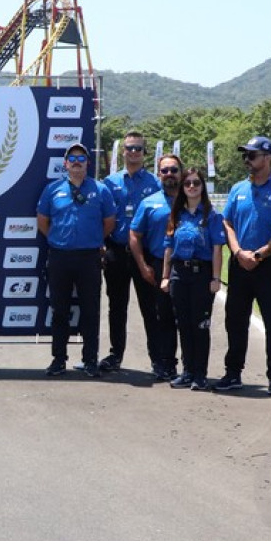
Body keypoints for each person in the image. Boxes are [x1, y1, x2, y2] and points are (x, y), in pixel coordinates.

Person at [217, 136, 271, 394]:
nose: (246, 160)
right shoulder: (238, 189)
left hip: (269, 266)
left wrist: (259, 254)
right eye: (245, 155)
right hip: (239, 264)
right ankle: (233, 372)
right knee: (235, 320)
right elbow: (227, 223)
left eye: (252, 155)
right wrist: (238, 252)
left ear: (268, 157)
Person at [36, 142, 116, 377]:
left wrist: (93, 239)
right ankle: (58, 359)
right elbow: (42, 221)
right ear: (66, 163)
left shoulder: (101, 190)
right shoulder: (52, 189)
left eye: (81, 158)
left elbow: (109, 222)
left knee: (90, 311)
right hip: (59, 257)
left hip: (89, 258)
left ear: (87, 163)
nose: (77, 162)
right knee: (59, 311)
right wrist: (59, 240)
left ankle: (90, 360)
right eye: (73, 159)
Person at [99, 131, 160, 373]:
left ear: (145, 153)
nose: (133, 152)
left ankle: (157, 359)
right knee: (117, 307)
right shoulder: (109, 182)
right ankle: (115, 355)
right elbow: (101, 216)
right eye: (129, 148)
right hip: (116, 251)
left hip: (144, 254)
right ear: (123, 151)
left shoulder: (155, 183)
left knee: (150, 307)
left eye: (138, 148)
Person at [160, 165, 225, 390]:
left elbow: (217, 249)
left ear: (202, 186)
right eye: (187, 183)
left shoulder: (211, 216)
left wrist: (216, 278)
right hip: (179, 274)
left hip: (201, 275)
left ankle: (200, 374)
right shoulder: (176, 215)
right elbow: (168, 248)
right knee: (184, 325)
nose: (191, 187)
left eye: (196, 183)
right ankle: (187, 371)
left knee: (200, 326)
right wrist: (165, 276)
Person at [129, 153, 181, 381]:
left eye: (174, 170)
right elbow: (134, 235)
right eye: (165, 170)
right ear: (158, 174)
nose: (169, 174)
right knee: (159, 317)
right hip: (158, 264)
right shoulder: (149, 202)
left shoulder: (192, 199)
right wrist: (143, 266)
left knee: (186, 318)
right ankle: (162, 362)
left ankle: (191, 366)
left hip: (187, 266)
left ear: (181, 173)